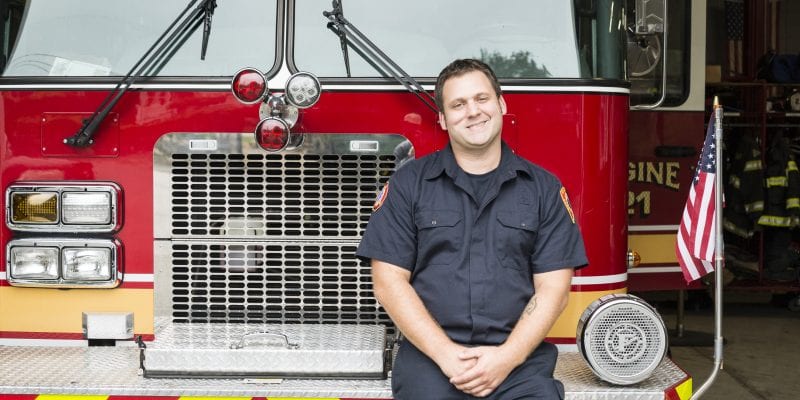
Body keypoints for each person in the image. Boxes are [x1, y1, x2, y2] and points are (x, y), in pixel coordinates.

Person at [356, 59, 588, 399]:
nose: (472, 112)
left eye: (482, 99)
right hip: (430, 361)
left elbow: (554, 289)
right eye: (458, 104)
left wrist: (506, 358)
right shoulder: (409, 184)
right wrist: (447, 355)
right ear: (442, 118)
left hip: (518, 364)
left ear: (501, 104)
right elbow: (388, 281)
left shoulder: (544, 190)